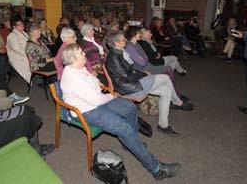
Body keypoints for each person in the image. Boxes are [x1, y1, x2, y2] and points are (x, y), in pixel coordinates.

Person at [60, 44, 180, 180]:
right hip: (88, 111)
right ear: (73, 59)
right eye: (81, 53)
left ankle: (129, 143)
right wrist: (112, 95)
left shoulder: (78, 68)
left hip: (96, 102)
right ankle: (157, 169)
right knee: (125, 129)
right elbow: (97, 100)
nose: (84, 55)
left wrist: (98, 84)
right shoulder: (73, 79)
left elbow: (94, 80)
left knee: (130, 108)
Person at [105, 31, 193, 137]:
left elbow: (130, 71)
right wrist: (143, 74)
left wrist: (142, 73)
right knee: (165, 78)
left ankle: (163, 125)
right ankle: (177, 102)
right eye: (123, 40)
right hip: (130, 89)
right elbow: (128, 77)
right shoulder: (114, 58)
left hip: (132, 84)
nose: (126, 41)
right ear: (116, 43)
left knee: (166, 90)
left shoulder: (117, 52)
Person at [7, 20, 32, 86]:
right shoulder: (12, 35)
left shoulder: (24, 33)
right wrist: (28, 54)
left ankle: (39, 75)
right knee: (28, 61)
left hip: (26, 52)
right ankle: (30, 78)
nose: (22, 25)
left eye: (22, 23)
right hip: (16, 55)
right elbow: (16, 49)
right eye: (19, 24)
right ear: (14, 27)